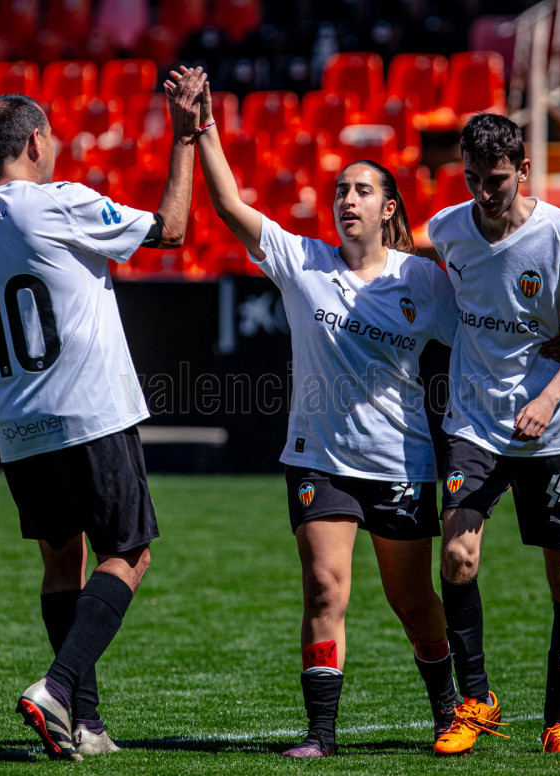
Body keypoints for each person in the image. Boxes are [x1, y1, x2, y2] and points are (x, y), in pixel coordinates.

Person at [181, 66, 467, 757]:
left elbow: (484, 335)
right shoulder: (301, 260)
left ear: (389, 209)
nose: (347, 199)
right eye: (341, 190)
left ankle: (449, 711)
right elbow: (229, 206)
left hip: (401, 461)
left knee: (412, 602)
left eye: (363, 190)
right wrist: (204, 127)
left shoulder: (423, 281)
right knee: (323, 589)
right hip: (319, 460)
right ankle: (321, 734)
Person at [0, 69, 208, 761]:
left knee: (63, 561)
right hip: (88, 414)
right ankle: (58, 688)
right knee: (130, 552)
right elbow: (172, 230)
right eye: (52, 135)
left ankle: (84, 726)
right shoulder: (62, 202)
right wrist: (184, 138)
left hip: (16, 428)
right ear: (35, 141)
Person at [429, 113, 560, 757]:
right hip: (474, 422)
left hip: (552, 429)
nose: (484, 193)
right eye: (473, 179)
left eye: (498, 180)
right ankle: (476, 701)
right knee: (457, 556)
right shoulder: (447, 229)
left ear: (524, 171)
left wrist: (548, 396)